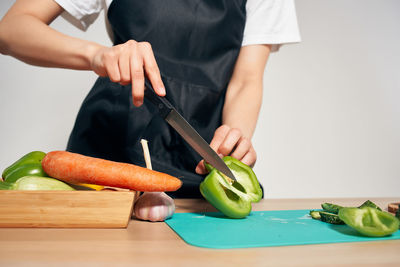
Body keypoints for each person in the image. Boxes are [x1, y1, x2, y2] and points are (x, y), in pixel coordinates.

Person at [0, 0, 300, 221]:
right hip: (110, 146)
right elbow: (11, 29)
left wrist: (235, 135)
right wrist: (97, 55)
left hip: (201, 156)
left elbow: (247, 79)